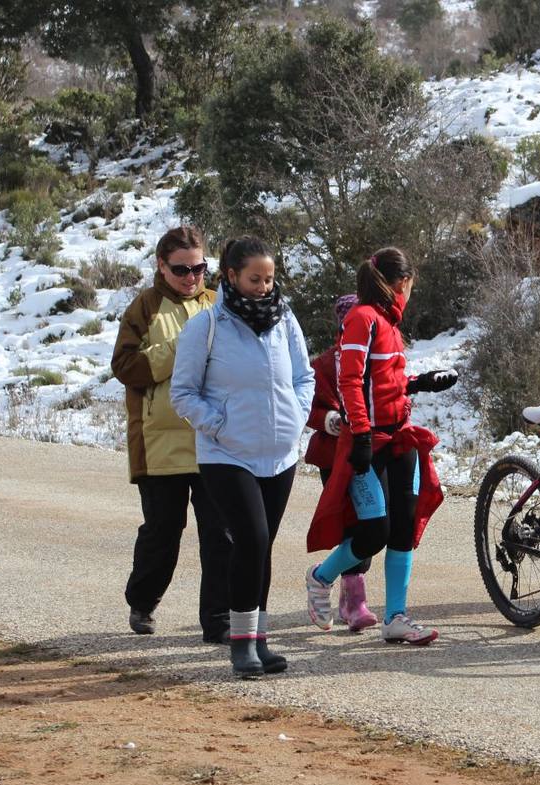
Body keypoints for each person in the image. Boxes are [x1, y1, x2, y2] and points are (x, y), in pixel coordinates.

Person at [171, 236, 315, 677]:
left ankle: (260, 639)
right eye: (255, 278)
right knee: (250, 540)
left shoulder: (284, 319)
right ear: (231, 276)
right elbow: (183, 393)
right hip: (226, 455)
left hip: (279, 455)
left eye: (269, 279)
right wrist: (219, 425)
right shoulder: (206, 326)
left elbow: (304, 376)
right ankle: (240, 643)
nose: (263, 287)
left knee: (263, 546)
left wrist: (296, 416)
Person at [304, 247, 457, 646]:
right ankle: (321, 578)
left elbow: (382, 383)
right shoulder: (362, 317)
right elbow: (351, 382)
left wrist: (420, 383)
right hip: (369, 441)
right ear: (401, 284)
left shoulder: (389, 323)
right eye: (410, 287)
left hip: (401, 434)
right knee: (374, 532)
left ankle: (395, 617)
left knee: (403, 527)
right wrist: (362, 434)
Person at [111, 225, 232, 644]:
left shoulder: (219, 304)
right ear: (161, 267)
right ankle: (142, 602)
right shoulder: (144, 307)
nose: (191, 277)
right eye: (181, 269)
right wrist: (183, 346)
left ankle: (217, 620)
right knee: (163, 531)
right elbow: (125, 368)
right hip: (159, 442)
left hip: (213, 439)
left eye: (199, 268)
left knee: (220, 533)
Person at [302, 293, 375, 632]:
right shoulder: (323, 364)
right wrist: (328, 418)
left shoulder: (378, 358)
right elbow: (307, 407)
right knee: (351, 522)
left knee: (373, 522)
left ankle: (350, 597)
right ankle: (355, 601)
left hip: (372, 450)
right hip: (333, 455)